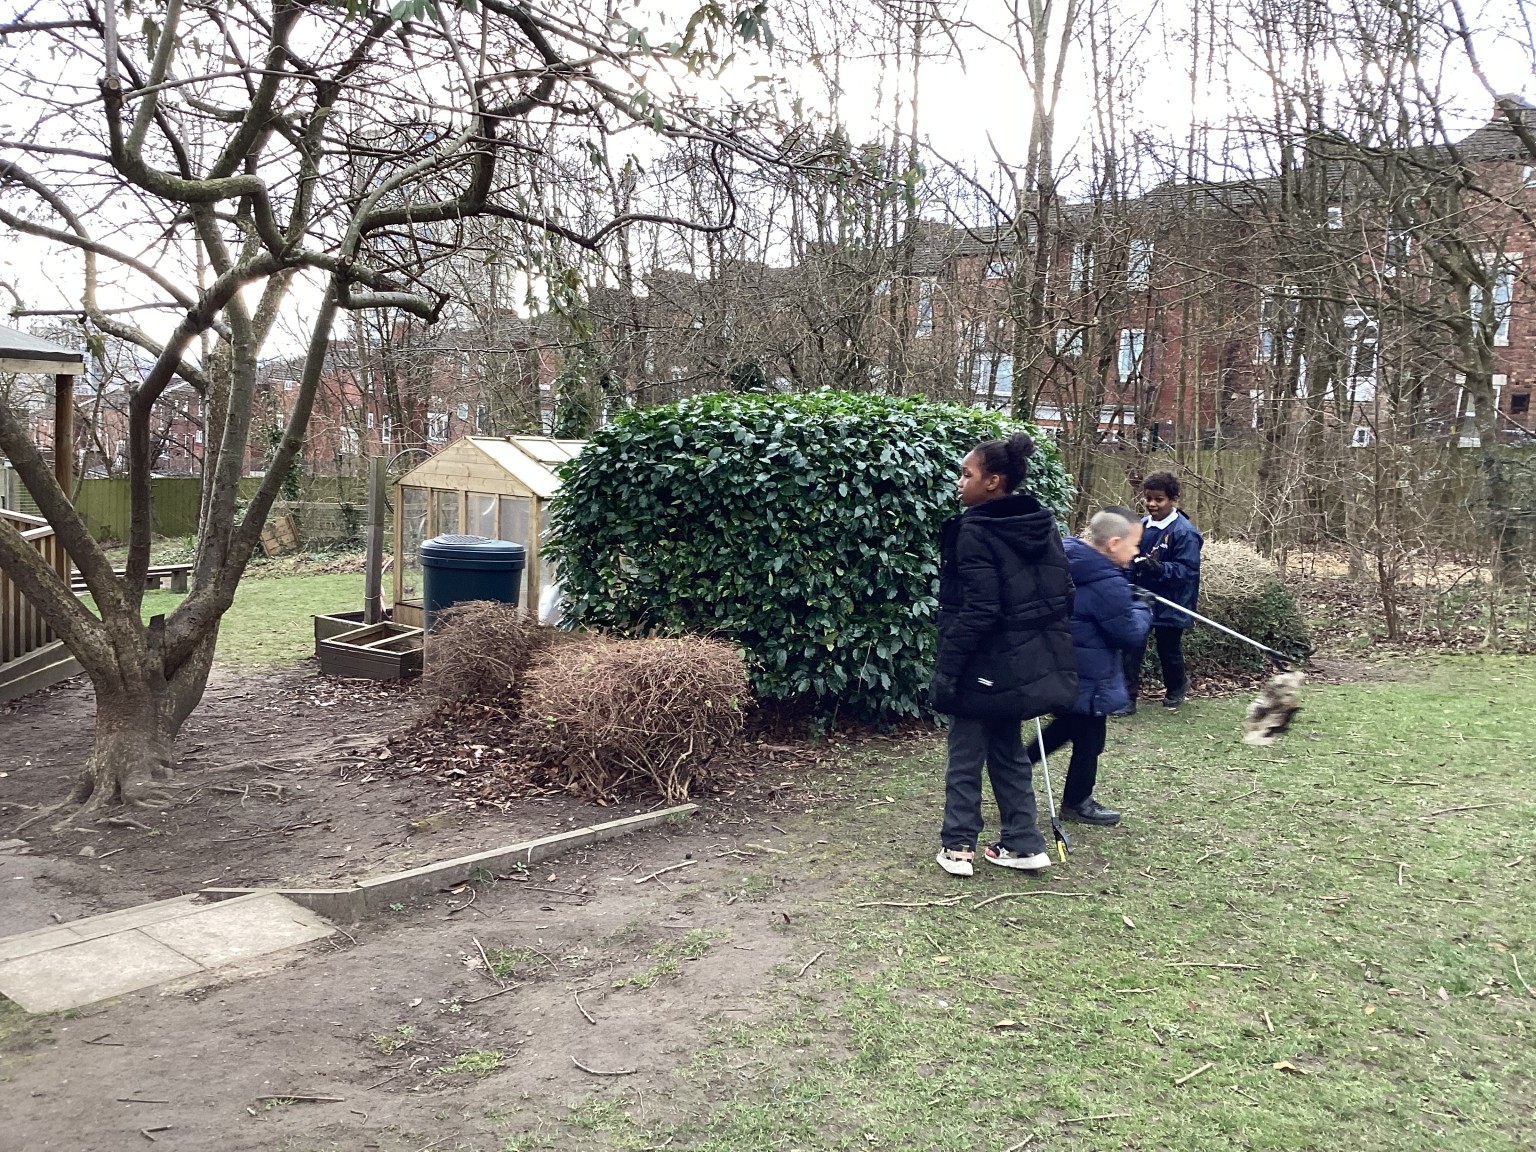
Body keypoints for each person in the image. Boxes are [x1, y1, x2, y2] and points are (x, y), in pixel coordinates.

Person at [929, 432, 1078, 876]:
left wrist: (948, 670)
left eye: (966, 474)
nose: (959, 482)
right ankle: (1023, 841)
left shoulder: (974, 529)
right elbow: (1064, 594)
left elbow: (978, 609)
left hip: (982, 661)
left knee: (965, 751)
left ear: (993, 481)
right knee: (1007, 748)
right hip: (1022, 663)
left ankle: (958, 846)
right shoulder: (1042, 525)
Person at [1025, 507, 1151, 826]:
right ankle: (1076, 801)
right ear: (1113, 543)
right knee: (1090, 739)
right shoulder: (1108, 583)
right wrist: (1142, 608)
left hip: (1063, 666)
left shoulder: (1066, 560)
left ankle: (1018, 766)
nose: (1137, 552)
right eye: (1134, 545)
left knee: (1069, 727)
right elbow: (1128, 634)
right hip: (1091, 675)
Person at [1121, 470, 1203, 713]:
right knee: (1132, 646)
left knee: (1168, 650)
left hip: (1171, 600)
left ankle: (1177, 686)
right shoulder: (1141, 526)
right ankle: (1127, 698)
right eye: (1148, 498)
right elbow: (1129, 560)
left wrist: (1159, 568)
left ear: (1173, 499)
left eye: (1159, 499)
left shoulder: (1184, 532)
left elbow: (1187, 571)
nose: (1152, 504)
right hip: (1141, 597)